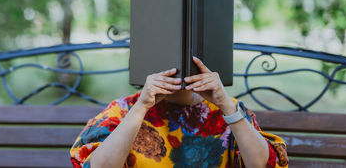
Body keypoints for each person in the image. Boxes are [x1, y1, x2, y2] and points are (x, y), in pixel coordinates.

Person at [70, 56, 289, 168]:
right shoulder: (124, 110)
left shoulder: (228, 110)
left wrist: (225, 104)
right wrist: (142, 107)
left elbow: (263, 165)